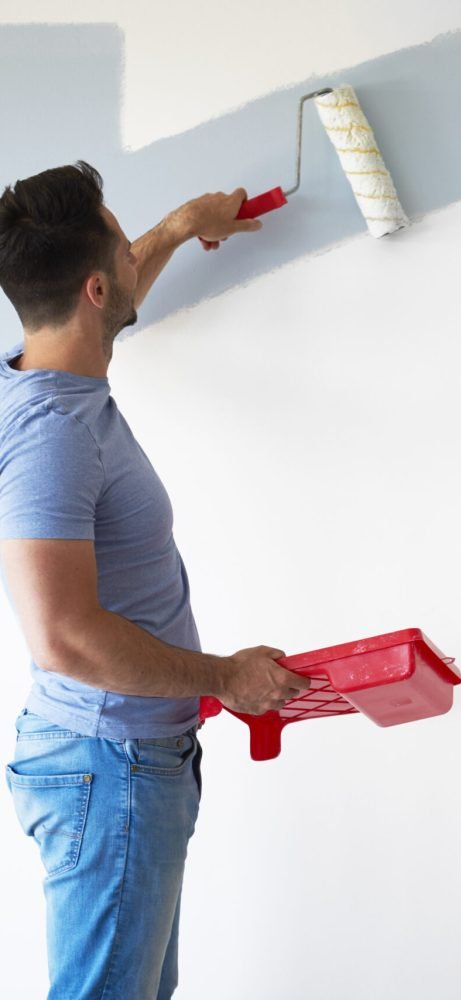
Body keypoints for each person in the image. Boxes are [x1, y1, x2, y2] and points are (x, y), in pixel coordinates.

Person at [0, 161, 311, 1000]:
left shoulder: (40, 363)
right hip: (112, 768)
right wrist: (223, 677)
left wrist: (176, 228)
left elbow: (105, 292)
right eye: (124, 244)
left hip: (116, 762)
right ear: (98, 289)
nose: (133, 257)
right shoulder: (55, 435)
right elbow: (61, 635)